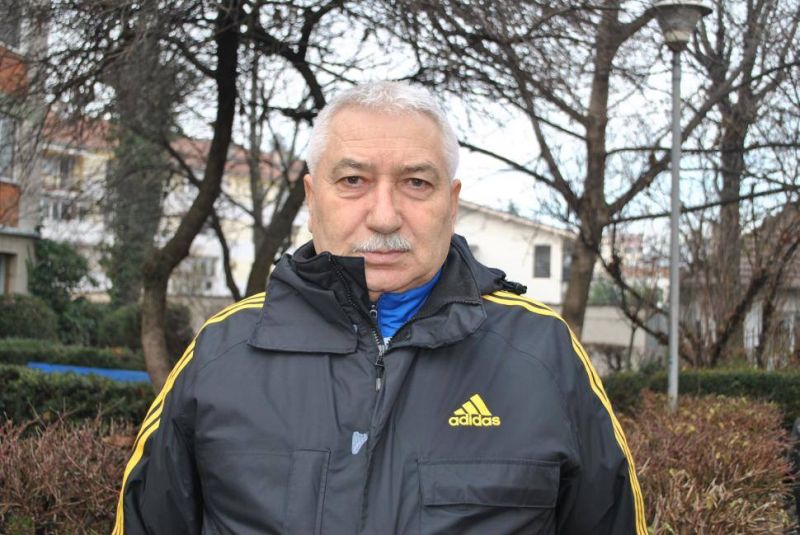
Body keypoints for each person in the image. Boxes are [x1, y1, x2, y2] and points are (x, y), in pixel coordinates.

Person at [113, 81, 646, 534]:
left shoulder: (543, 355)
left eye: (416, 182)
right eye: (353, 181)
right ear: (312, 198)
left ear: (451, 203)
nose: (385, 216)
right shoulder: (222, 352)